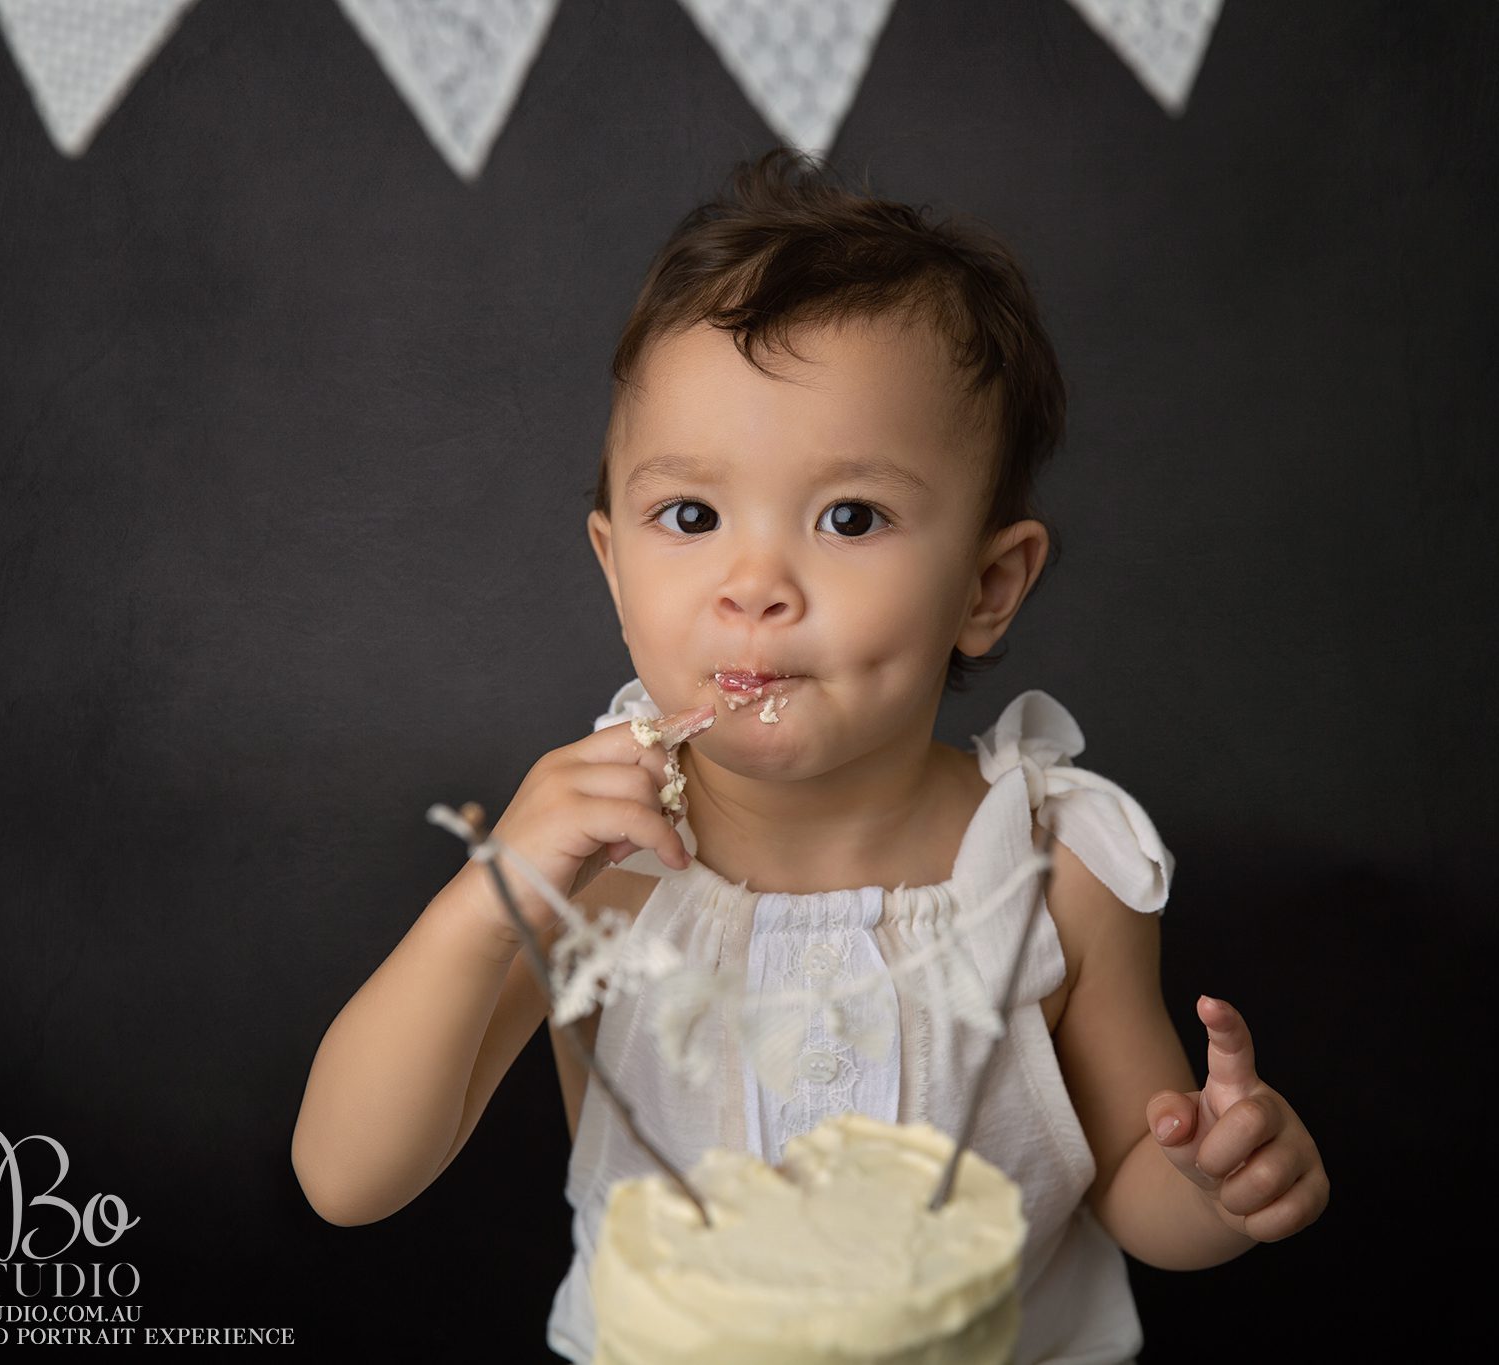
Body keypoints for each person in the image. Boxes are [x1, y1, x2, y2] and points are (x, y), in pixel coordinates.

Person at [291, 148, 1328, 1364]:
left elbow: (1129, 1197)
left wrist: (1215, 1184)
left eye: (848, 518)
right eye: (690, 516)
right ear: (612, 563)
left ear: (986, 589)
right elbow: (346, 1177)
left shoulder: (1053, 871)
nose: (753, 587)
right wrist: (492, 897)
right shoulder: (597, 862)